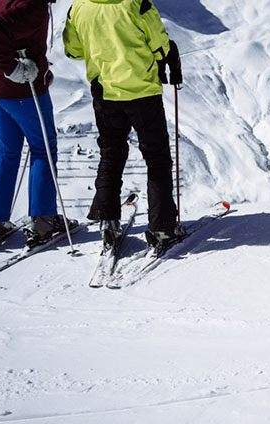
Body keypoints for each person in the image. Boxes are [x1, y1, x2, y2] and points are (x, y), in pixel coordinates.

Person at [63, 0, 182, 252]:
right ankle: (161, 227)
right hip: (142, 92)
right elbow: (160, 47)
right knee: (157, 157)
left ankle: (108, 221)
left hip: (105, 93)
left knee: (111, 154)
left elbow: (73, 49)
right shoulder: (137, 4)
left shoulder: (79, 7)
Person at [0, 0, 77, 250]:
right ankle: (43, 221)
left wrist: (38, 69)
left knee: (7, 152)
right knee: (42, 148)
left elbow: (14, 37)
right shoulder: (32, 4)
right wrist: (13, 69)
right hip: (19, 92)